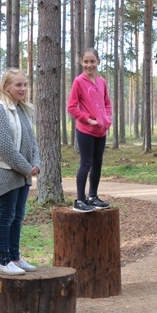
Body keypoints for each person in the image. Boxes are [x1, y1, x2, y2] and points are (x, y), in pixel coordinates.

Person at [0, 68, 41, 275]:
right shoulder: (0, 109)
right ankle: (3, 260)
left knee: (18, 216)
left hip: (23, 173)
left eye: (25, 84)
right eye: (18, 85)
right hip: (7, 171)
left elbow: (32, 141)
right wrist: (27, 168)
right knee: (7, 215)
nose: (23, 88)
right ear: (6, 86)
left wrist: (35, 163)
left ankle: (15, 258)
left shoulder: (22, 109)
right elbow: (4, 146)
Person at [66, 48, 112, 213]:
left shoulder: (102, 82)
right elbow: (71, 107)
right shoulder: (79, 81)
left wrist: (107, 118)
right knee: (86, 162)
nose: (89, 65)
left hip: (101, 131)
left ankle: (93, 196)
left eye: (92, 61)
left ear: (98, 62)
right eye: (86, 61)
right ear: (81, 62)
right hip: (85, 130)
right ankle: (80, 199)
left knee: (98, 163)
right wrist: (88, 119)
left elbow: (107, 102)